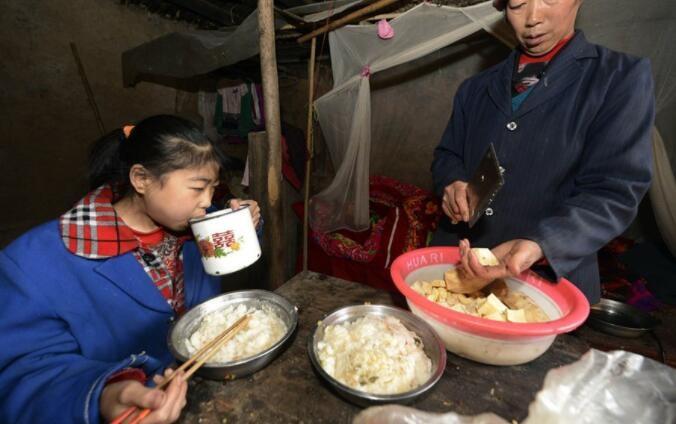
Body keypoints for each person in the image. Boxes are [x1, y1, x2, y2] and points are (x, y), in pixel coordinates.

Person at [0, 115, 261, 423]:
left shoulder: (193, 223)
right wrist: (103, 395)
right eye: (197, 188)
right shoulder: (33, 264)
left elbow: (229, 249)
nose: (207, 202)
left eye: (213, 189)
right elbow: (20, 375)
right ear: (141, 179)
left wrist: (247, 223)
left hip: (203, 388)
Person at [431, 0, 655, 303]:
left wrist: (542, 243)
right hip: (458, 272)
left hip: (545, 289)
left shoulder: (619, 79)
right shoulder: (475, 88)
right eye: (517, 4)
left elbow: (614, 192)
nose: (533, 18)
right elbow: (448, 155)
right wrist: (452, 183)